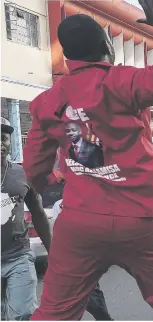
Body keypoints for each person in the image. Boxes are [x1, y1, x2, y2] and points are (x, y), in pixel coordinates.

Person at [22, 1, 153, 319]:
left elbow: (35, 172)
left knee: (54, 313)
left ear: (69, 57)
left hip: (80, 221)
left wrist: (59, 184)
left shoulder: (47, 102)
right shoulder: (125, 81)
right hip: (140, 220)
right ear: (107, 46)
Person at [1, 117, 52, 321]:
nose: (0, 144)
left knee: (24, 314)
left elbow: (39, 214)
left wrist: (54, 253)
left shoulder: (23, 173)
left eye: (3, 138)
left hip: (18, 257)